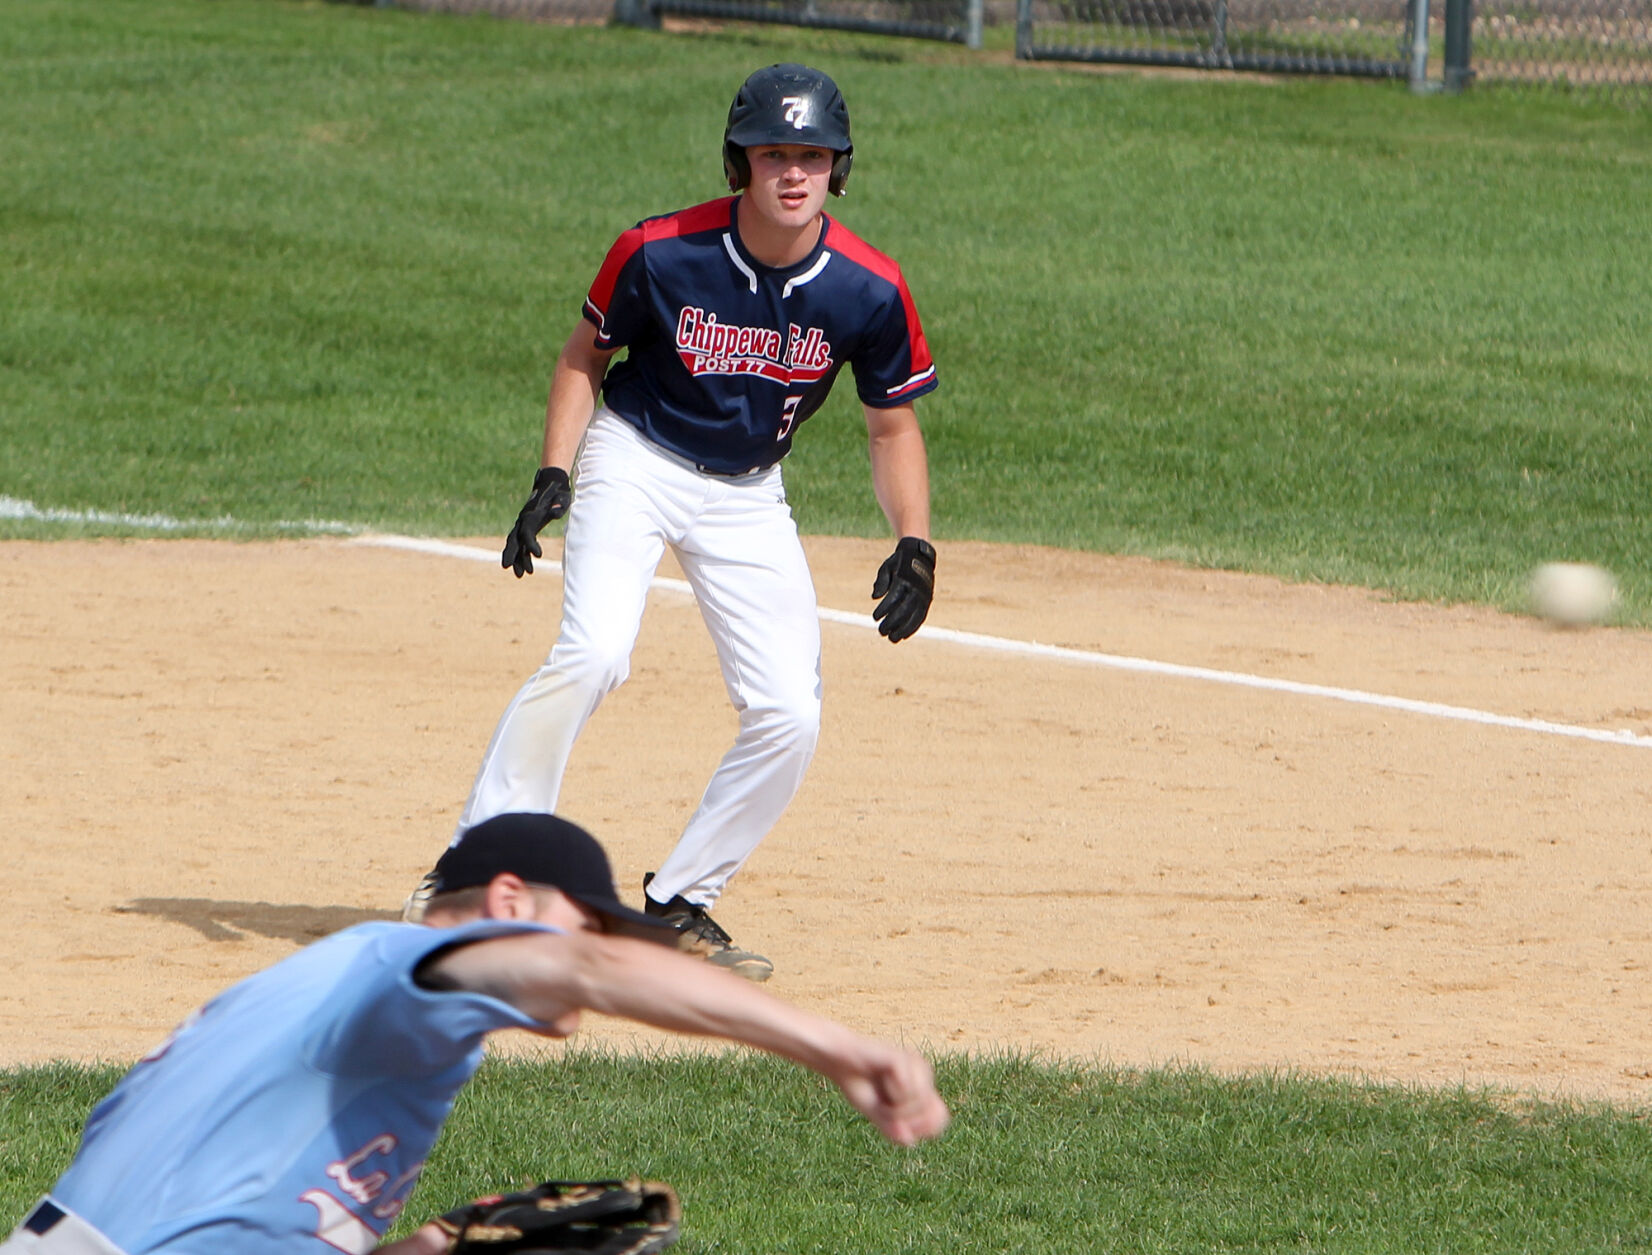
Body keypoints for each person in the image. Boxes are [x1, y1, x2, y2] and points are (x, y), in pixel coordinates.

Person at [454, 62, 940, 983]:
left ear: (839, 166)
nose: (792, 172)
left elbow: (892, 425)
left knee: (790, 712)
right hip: (635, 457)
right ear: (738, 162)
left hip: (750, 490)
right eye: (772, 154)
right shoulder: (658, 251)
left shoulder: (870, 289)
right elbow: (580, 360)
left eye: (812, 154)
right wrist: (555, 471)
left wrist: (913, 540)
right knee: (595, 652)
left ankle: (679, 903)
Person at [2, 813, 950, 1255]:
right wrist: (834, 1047)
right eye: (594, 920)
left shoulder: (361, 1027)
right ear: (508, 904)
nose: (605, 948)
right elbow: (583, 972)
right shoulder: (399, 974)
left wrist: (439, 1247)